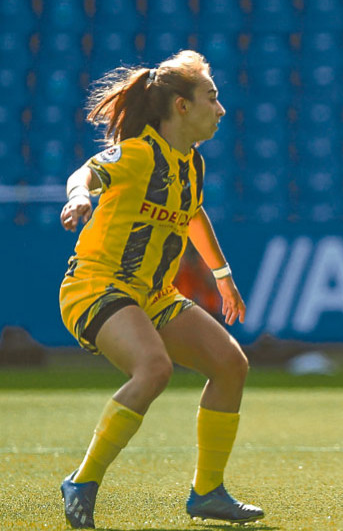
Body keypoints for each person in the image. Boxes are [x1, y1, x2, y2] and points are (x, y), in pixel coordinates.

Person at [58, 50, 264, 528]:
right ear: (181, 106)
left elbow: (192, 213)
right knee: (154, 368)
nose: (222, 108)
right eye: (212, 97)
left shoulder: (191, 163)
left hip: (153, 295)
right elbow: (84, 173)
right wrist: (77, 198)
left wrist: (222, 274)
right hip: (97, 286)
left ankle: (208, 493)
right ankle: (82, 482)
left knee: (231, 364)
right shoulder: (138, 154)